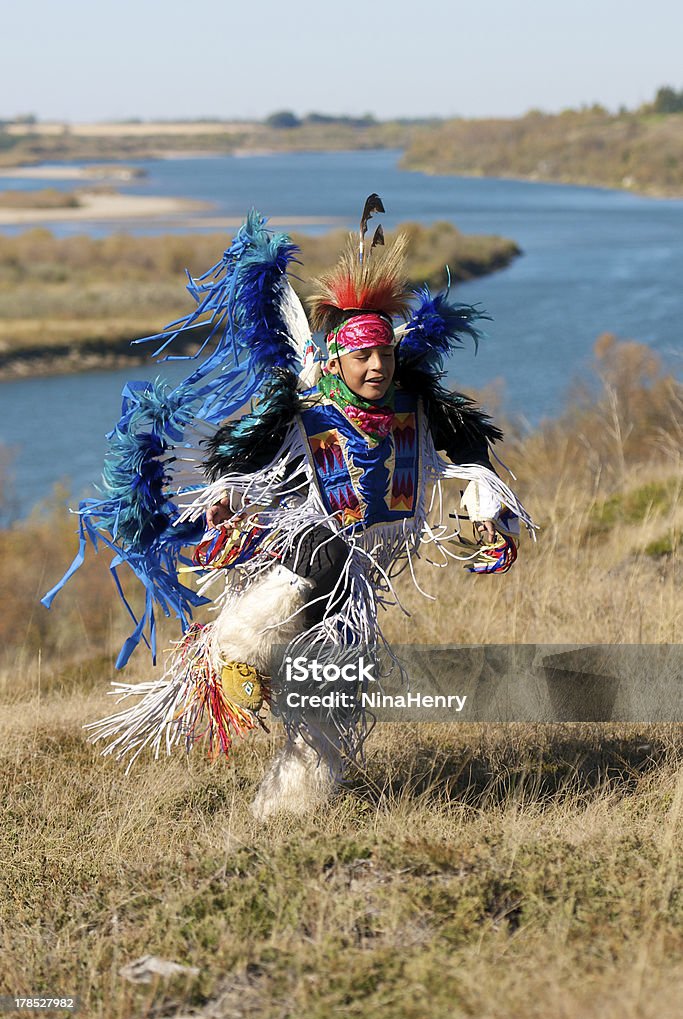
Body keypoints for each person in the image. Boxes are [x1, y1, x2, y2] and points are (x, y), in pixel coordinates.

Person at [42, 197, 534, 817]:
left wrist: (489, 510)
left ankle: (288, 813)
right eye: (363, 355)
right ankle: (237, 650)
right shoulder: (305, 407)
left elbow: (469, 451)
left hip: (357, 582)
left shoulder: (418, 404)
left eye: (384, 353)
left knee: (325, 703)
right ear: (336, 358)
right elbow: (242, 458)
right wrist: (224, 497)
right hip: (296, 543)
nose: (377, 365)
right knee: (320, 553)